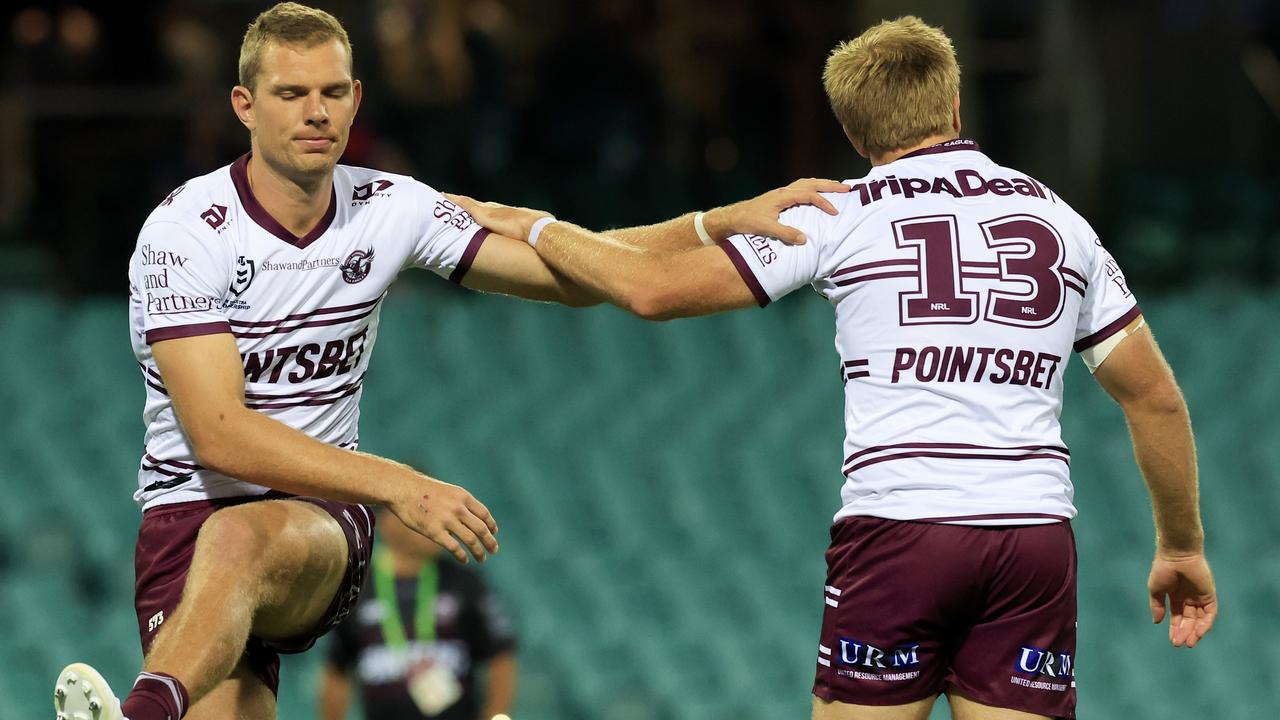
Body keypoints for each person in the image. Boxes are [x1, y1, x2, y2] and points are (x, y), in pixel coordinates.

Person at [51, 4, 839, 719]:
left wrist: (710, 226)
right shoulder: (185, 233)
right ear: (244, 106)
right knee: (227, 554)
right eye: (291, 95)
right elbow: (220, 436)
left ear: (357, 98)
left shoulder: (391, 206)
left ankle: (139, 715)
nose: (316, 112)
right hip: (188, 519)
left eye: (332, 91)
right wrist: (403, 485)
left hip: (317, 520)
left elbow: (572, 275)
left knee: (242, 543)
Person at [447, 16, 1218, 720]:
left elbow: (649, 292)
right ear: (954, 108)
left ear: (853, 133)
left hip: (902, 529)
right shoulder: (1060, 218)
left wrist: (537, 224)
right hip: (1031, 537)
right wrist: (1181, 547)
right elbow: (1154, 399)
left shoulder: (840, 211)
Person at [319, 509, 517, 720]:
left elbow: (500, 657)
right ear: (386, 522)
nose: (438, 524)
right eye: (422, 513)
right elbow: (336, 671)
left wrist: (495, 715)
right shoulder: (356, 587)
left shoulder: (465, 583)